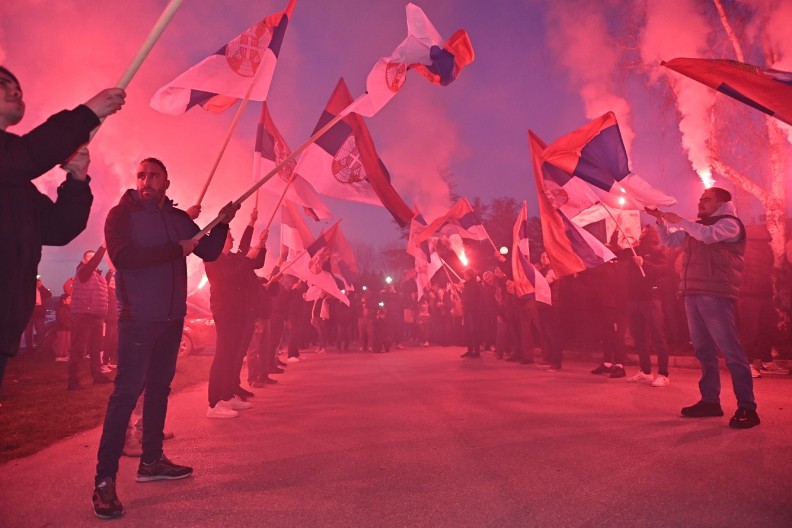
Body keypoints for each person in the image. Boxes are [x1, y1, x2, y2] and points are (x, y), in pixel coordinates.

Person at [92, 157, 236, 519]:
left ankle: (152, 461)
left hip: (172, 320)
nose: (145, 180)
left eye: (153, 175)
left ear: (166, 182)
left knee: (159, 389)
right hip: (138, 319)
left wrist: (222, 222)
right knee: (126, 393)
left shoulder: (176, 219)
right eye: (141, 174)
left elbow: (208, 249)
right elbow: (124, 258)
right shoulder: (120, 215)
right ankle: (104, 480)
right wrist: (176, 249)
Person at [0, 65, 125, 394]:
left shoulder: (16, 184)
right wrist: (88, 114)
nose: (16, 90)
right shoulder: (12, 163)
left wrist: (77, 179)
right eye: (3, 84)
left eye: (18, 86)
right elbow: (25, 156)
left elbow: (59, 227)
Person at [649, 186, 759, 429]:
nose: (700, 203)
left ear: (721, 203)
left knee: (731, 351)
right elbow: (669, 241)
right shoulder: (697, 227)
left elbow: (708, 236)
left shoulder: (730, 224)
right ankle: (710, 401)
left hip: (716, 294)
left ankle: (747, 407)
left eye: (706, 200)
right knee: (703, 350)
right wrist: (660, 222)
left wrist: (682, 221)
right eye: (700, 199)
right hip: (693, 294)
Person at [625, 225, 672, 387]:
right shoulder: (634, 249)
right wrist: (619, 234)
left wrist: (644, 263)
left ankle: (663, 374)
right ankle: (645, 371)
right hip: (634, 298)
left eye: (645, 231)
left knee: (658, 335)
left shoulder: (659, 250)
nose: (642, 232)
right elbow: (618, 253)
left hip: (651, 298)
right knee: (639, 337)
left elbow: (663, 270)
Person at [68, 247, 111, 389]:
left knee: (96, 349)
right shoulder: (83, 272)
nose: (93, 260)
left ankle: (97, 375)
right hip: (83, 315)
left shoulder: (97, 275)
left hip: (96, 316)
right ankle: (73, 381)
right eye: (89, 257)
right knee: (78, 349)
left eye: (94, 257)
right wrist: (103, 247)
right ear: (83, 260)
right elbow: (94, 263)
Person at [23, 278, 51, 351]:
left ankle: (41, 347)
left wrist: (41, 287)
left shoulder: (41, 289)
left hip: (39, 312)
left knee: (40, 330)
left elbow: (49, 295)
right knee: (28, 331)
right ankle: (29, 347)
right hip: (29, 312)